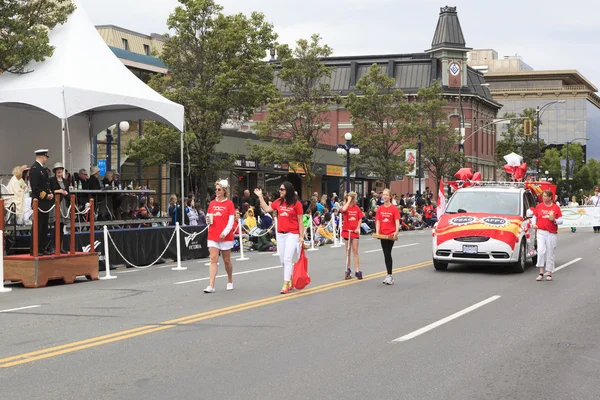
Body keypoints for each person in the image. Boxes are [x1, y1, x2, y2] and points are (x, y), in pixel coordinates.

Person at [255, 181, 304, 294]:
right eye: (280, 189)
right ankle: (290, 279)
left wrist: (301, 237)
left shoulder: (297, 204)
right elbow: (267, 209)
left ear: (288, 190)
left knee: (287, 258)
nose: (280, 191)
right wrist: (260, 197)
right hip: (280, 234)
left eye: (282, 189)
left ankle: (286, 284)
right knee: (282, 260)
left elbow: (301, 221)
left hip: (292, 234)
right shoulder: (278, 202)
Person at [204, 180, 236, 293]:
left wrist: (225, 232)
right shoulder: (212, 203)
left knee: (226, 260)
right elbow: (208, 217)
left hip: (225, 237)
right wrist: (208, 219)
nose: (217, 191)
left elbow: (231, 221)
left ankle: (230, 280)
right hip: (213, 234)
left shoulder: (229, 204)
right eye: (216, 189)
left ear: (224, 191)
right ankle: (211, 285)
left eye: (219, 190)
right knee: (213, 258)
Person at [532, 190, 563, 281]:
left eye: (545, 196)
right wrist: (534, 224)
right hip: (541, 232)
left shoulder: (555, 207)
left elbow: (561, 220)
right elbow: (534, 216)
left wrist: (554, 220)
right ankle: (541, 272)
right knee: (541, 251)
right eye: (543, 196)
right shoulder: (539, 206)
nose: (544, 198)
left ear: (550, 197)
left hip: (551, 233)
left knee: (550, 252)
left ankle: (549, 272)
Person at [29, 149, 54, 256]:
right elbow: (35, 187)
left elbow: (45, 184)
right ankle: (34, 248)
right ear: (42, 157)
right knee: (38, 226)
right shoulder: (35, 169)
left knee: (44, 226)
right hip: (39, 201)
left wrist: (50, 193)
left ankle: (42, 247)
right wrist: (45, 195)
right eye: (45, 157)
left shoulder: (42, 169)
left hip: (44, 203)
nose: (46, 159)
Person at [375, 188, 400, 285]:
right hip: (382, 234)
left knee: (387, 253)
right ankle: (388, 275)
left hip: (390, 234)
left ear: (390, 197)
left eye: (386, 195)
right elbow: (378, 221)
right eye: (383, 195)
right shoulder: (380, 208)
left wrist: (396, 232)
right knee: (385, 253)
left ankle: (390, 275)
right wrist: (377, 232)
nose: (384, 196)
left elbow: (397, 221)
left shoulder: (394, 209)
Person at [341, 192, 364, 280]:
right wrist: (348, 200)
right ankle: (348, 269)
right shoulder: (346, 207)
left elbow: (360, 218)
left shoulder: (357, 208)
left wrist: (358, 228)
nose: (355, 201)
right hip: (347, 231)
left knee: (355, 250)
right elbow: (343, 210)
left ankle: (358, 270)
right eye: (354, 199)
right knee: (348, 251)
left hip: (354, 232)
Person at [49, 162, 70, 254]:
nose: (59, 171)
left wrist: (66, 193)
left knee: (61, 227)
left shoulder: (65, 181)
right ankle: (53, 247)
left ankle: (59, 247)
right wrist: (58, 191)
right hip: (55, 204)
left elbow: (68, 193)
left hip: (63, 204)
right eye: (57, 170)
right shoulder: (51, 180)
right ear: (55, 171)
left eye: (60, 169)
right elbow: (49, 191)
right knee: (55, 227)